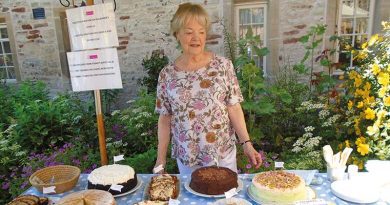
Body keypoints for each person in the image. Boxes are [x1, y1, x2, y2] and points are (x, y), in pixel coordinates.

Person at [154, 2, 262, 174]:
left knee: (226, 199)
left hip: (222, 155)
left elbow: (233, 107)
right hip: (188, 159)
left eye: (201, 32)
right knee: (193, 198)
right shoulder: (167, 75)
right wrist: (161, 159)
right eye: (189, 32)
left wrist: (247, 144)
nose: (196, 38)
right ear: (177, 35)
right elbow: (165, 119)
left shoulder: (223, 66)